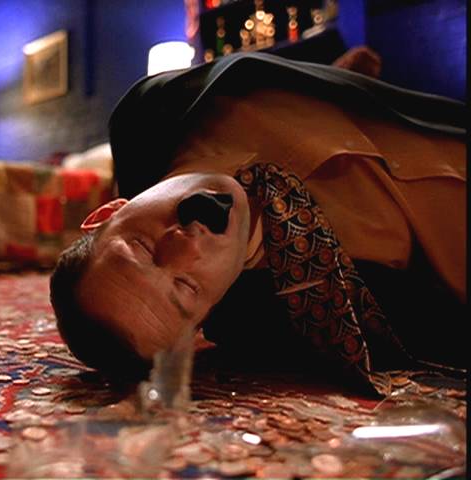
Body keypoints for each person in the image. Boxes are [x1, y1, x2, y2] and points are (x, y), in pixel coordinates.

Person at [50, 50, 466, 394]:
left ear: (108, 211)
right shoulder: (303, 317)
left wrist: (338, 78)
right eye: (187, 287)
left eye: (140, 247)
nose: (187, 244)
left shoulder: (160, 113)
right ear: (206, 316)